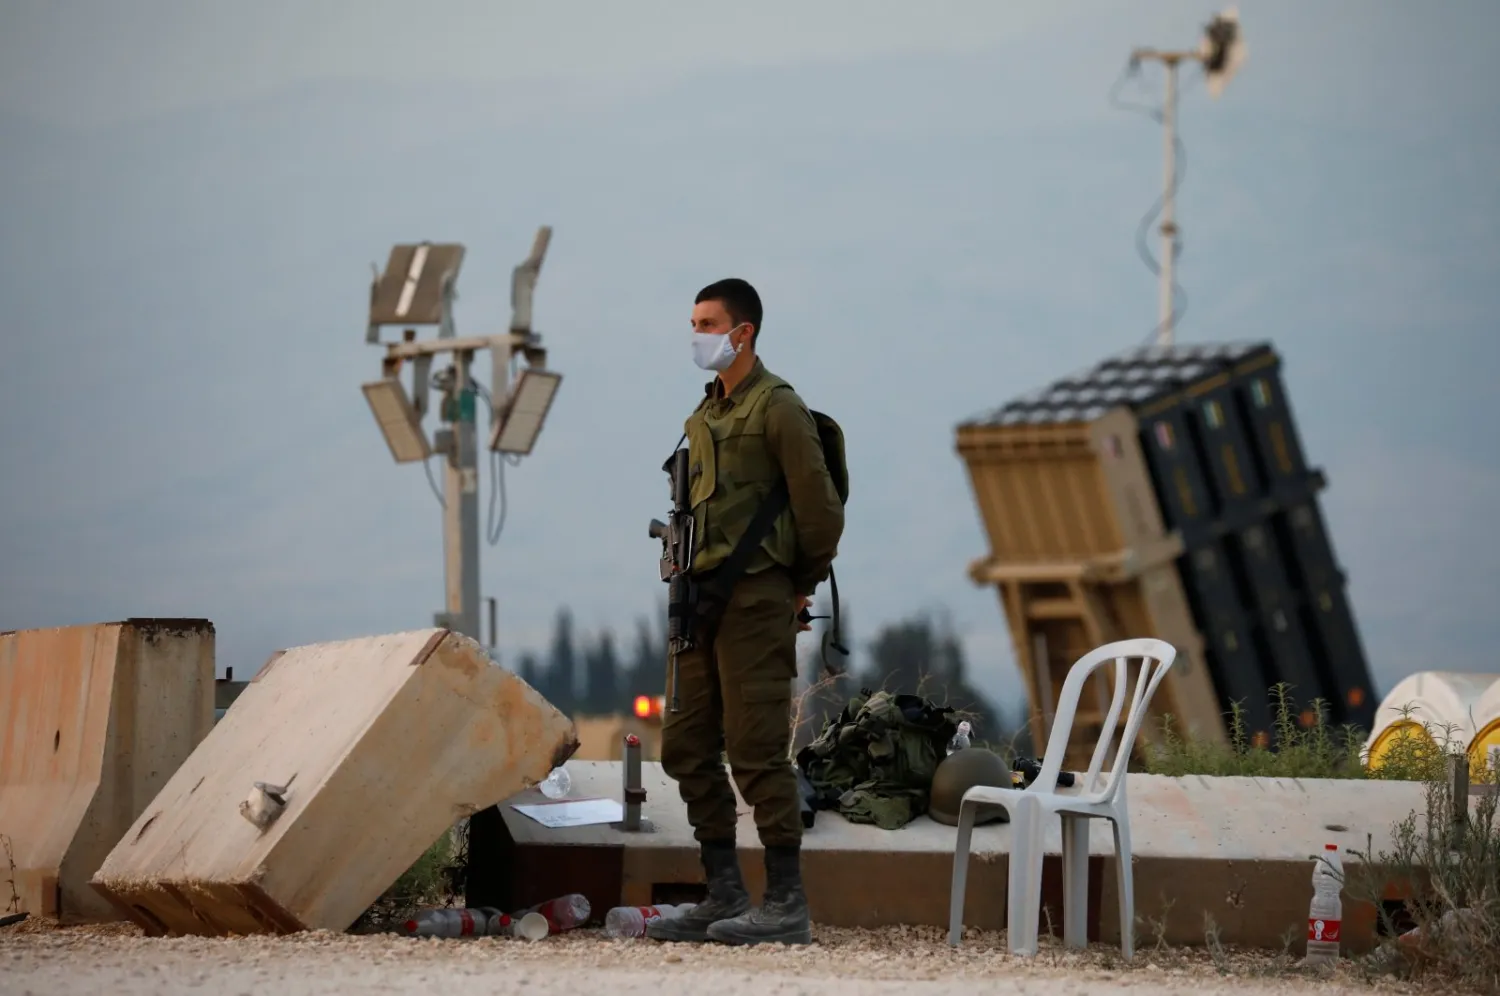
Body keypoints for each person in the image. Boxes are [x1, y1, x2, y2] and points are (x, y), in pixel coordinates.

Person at [648, 277, 845, 947]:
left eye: (709, 323)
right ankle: (723, 892)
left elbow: (819, 510)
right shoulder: (703, 419)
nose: (698, 335)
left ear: (744, 332)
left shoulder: (778, 409)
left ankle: (786, 903)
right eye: (694, 323)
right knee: (684, 747)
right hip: (699, 602)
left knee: (758, 753)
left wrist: (800, 583)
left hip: (758, 600)